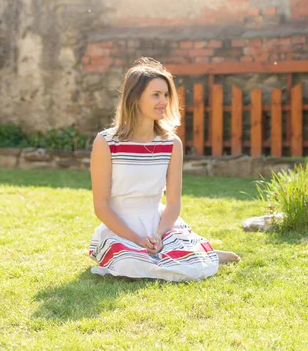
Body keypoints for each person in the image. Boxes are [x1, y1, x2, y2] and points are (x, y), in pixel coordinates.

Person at [88, 57, 240, 281]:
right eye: (156, 95)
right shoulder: (106, 142)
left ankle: (198, 253)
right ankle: (195, 253)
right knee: (130, 265)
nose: (164, 101)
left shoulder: (171, 144)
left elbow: (173, 203)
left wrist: (158, 235)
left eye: (166, 94)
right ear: (135, 98)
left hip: (160, 226)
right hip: (119, 229)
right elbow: (101, 206)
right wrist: (138, 239)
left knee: (195, 269)